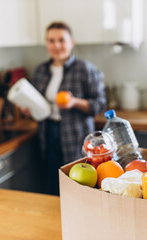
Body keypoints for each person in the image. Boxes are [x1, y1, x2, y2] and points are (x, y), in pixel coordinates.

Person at [21, 22, 106, 195]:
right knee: (52, 180)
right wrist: (30, 109)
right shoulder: (40, 71)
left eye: (61, 40)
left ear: (71, 42)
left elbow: (100, 104)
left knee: (77, 182)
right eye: (51, 41)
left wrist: (74, 102)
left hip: (75, 134)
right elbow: (38, 104)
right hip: (48, 132)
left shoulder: (85, 70)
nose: (57, 45)